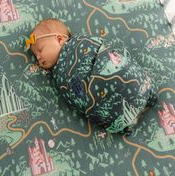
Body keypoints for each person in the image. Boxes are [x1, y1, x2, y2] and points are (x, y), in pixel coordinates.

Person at [26, 18, 157, 133]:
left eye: (40, 50)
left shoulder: (78, 43)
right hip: (97, 100)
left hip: (116, 75)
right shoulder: (57, 76)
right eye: (36, 57)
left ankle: (142, 90)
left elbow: (98, 48)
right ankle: (133, 110)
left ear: (59, 39)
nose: (38, 57)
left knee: (120, 73)